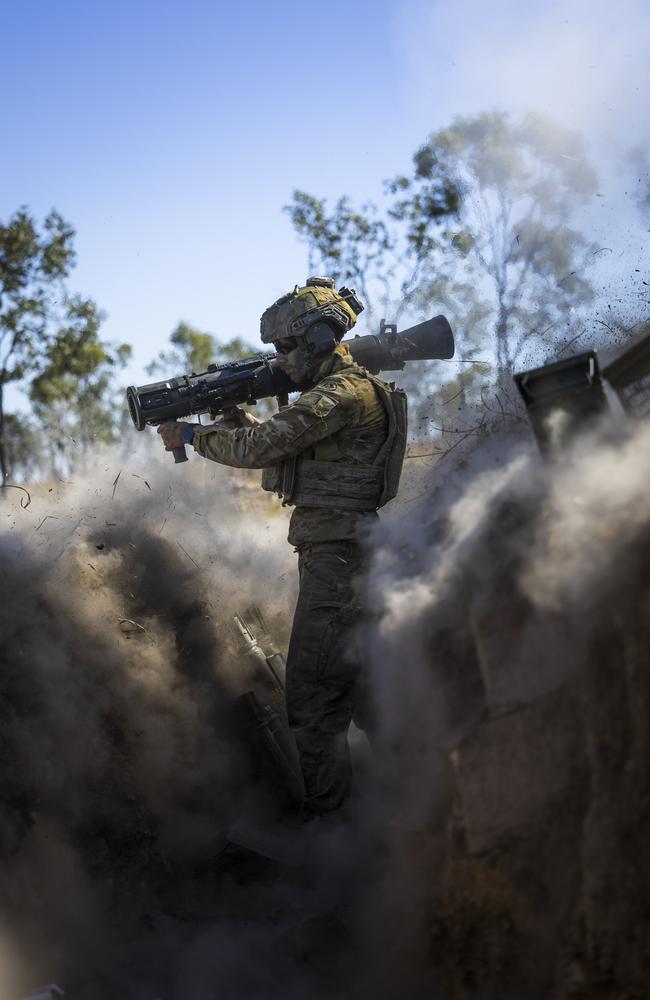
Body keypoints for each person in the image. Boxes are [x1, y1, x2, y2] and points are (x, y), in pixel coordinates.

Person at [158, 277, 407, 818]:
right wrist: (233, 417)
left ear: (319, 338)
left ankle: (332, 834)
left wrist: (190, 435)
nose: (281, 360)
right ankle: (409, 813)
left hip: (338, 559)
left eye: (287, 347)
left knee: (314, 702)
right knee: (362, 693)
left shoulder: (339, 393)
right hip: (344, 553)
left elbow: (260, 447)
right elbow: (290, 452)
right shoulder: (349, 390)